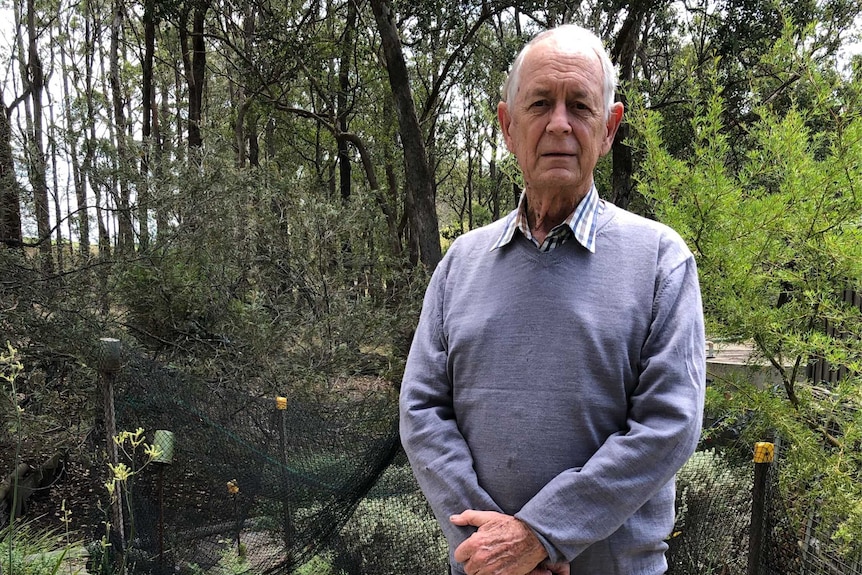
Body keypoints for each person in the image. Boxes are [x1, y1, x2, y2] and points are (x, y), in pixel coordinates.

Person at [399, 23, 706, 575]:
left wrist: (540, 536)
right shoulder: (459, 265)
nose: (559, 123)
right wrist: (495, 544)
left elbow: (669, 425)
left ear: (608, 129)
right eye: (540, 102)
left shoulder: (661, 260)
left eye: (580, 106)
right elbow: (421, 411)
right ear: (507, 125)